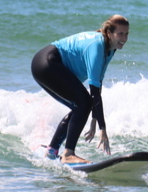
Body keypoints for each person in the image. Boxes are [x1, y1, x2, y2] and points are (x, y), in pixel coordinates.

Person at [31, 15, 130, 164]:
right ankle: (68, 153)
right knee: (83, 103)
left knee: (81, 105)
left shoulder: (110, 49)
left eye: (127, 34)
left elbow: (98, 84)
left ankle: (52, 150)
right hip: (47, 63)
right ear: (109, 33)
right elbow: (94, 93)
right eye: (120, 33)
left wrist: (94, 119)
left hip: (43, 64)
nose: (124, 38)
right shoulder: (97, 47)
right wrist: (103, 129)